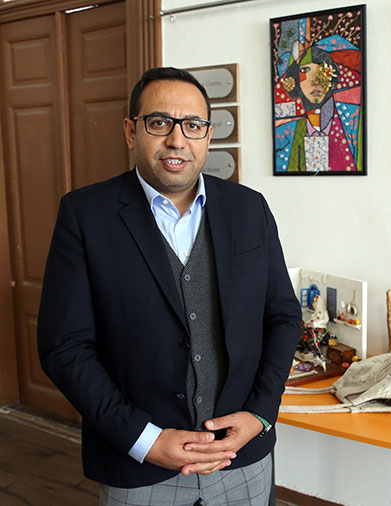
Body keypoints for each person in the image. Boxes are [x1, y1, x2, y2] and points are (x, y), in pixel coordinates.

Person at [37, 67, 301, 506]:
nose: (177, 140)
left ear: (208, 135)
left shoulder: (249, 208)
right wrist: (144, 439)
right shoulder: (85, 216)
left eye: (193, 125)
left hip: (242, 456)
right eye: (159, 123)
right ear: (131, 131)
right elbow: (64, 348)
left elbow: (284, 316)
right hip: (138, 465)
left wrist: (260, 413)